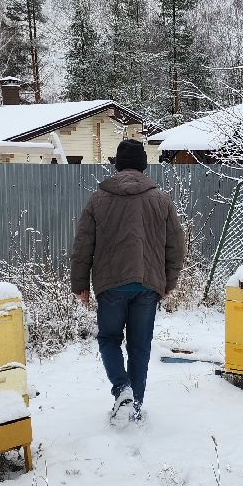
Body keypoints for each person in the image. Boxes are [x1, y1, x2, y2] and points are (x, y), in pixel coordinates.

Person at [70, 139, 185, 422]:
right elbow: (176, 244)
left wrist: (80, 284)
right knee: (139, 346)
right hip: (148, 285)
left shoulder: (99, 198)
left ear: (117, 165)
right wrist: (169, 281)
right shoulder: (161, 199)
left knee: (109, 338)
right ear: (144, 166)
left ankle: (122, 389)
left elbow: (83, 244)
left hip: (111, 285)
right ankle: (134, 405)